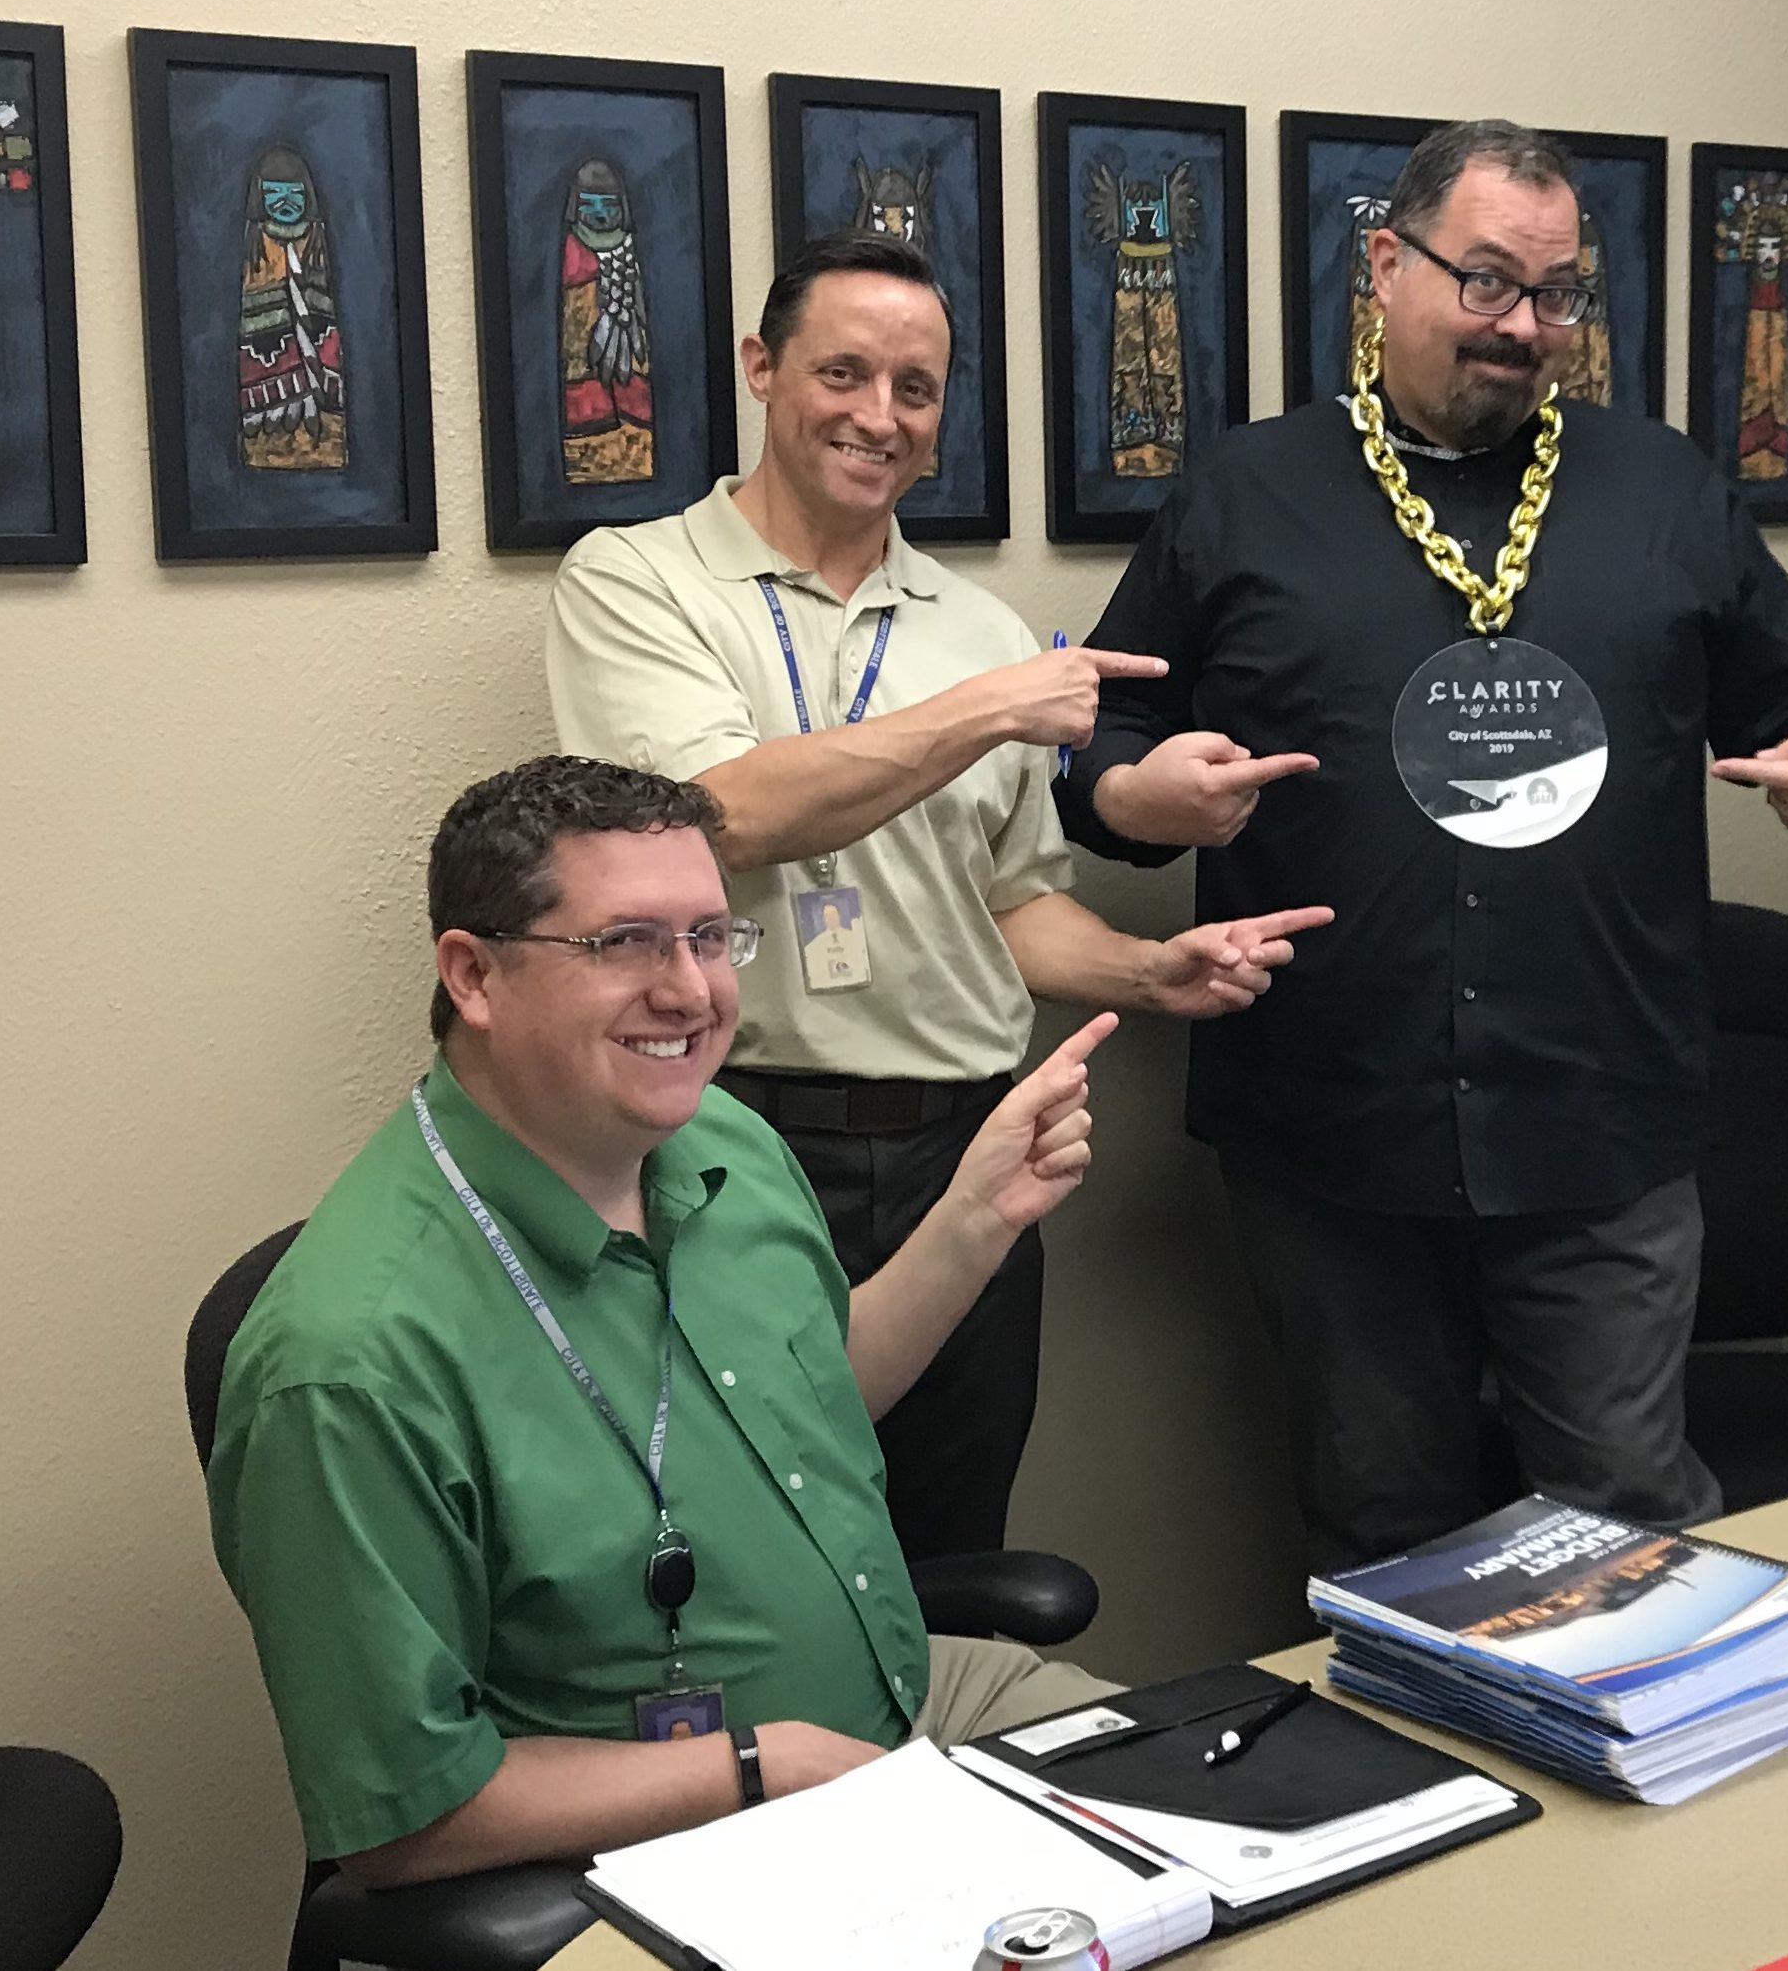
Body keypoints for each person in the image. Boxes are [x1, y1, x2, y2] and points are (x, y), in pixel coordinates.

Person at [1058, 119, 1788, 1568]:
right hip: (1332, 1130)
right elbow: (1100, 734)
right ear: (1384, 265)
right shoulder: (1241, 494)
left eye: (1560, 294)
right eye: (1489, 283)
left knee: (1625, 1534)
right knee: (1377, 1532)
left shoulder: (1664, 492)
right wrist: (1134, 798)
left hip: (1600, 1119)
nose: (1527, 328)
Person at [548, 232, 1326, 1563]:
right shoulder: (636, 580)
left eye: (915, 387)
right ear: (759, 368)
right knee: (734, 1546)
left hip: (961, 1156)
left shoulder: (980, 628)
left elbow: (1012, 906)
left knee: (940, 1555)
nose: (878, 415)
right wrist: (987, 710)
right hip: (730, 1139)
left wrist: (1154, 970)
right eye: (841, 371)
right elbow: (712, 816)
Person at [207, 757, 1121, 1886]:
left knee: (1245, 1823)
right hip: (689, 1833)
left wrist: (971, 1221)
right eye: (627, 941)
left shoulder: (718, 1140)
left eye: (708, 936)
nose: (691, 991)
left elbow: (819, 1395)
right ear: (474, 973)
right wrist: (758, 1765)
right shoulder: (349, 1359)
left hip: (896, 1698)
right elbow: (404, 1817)